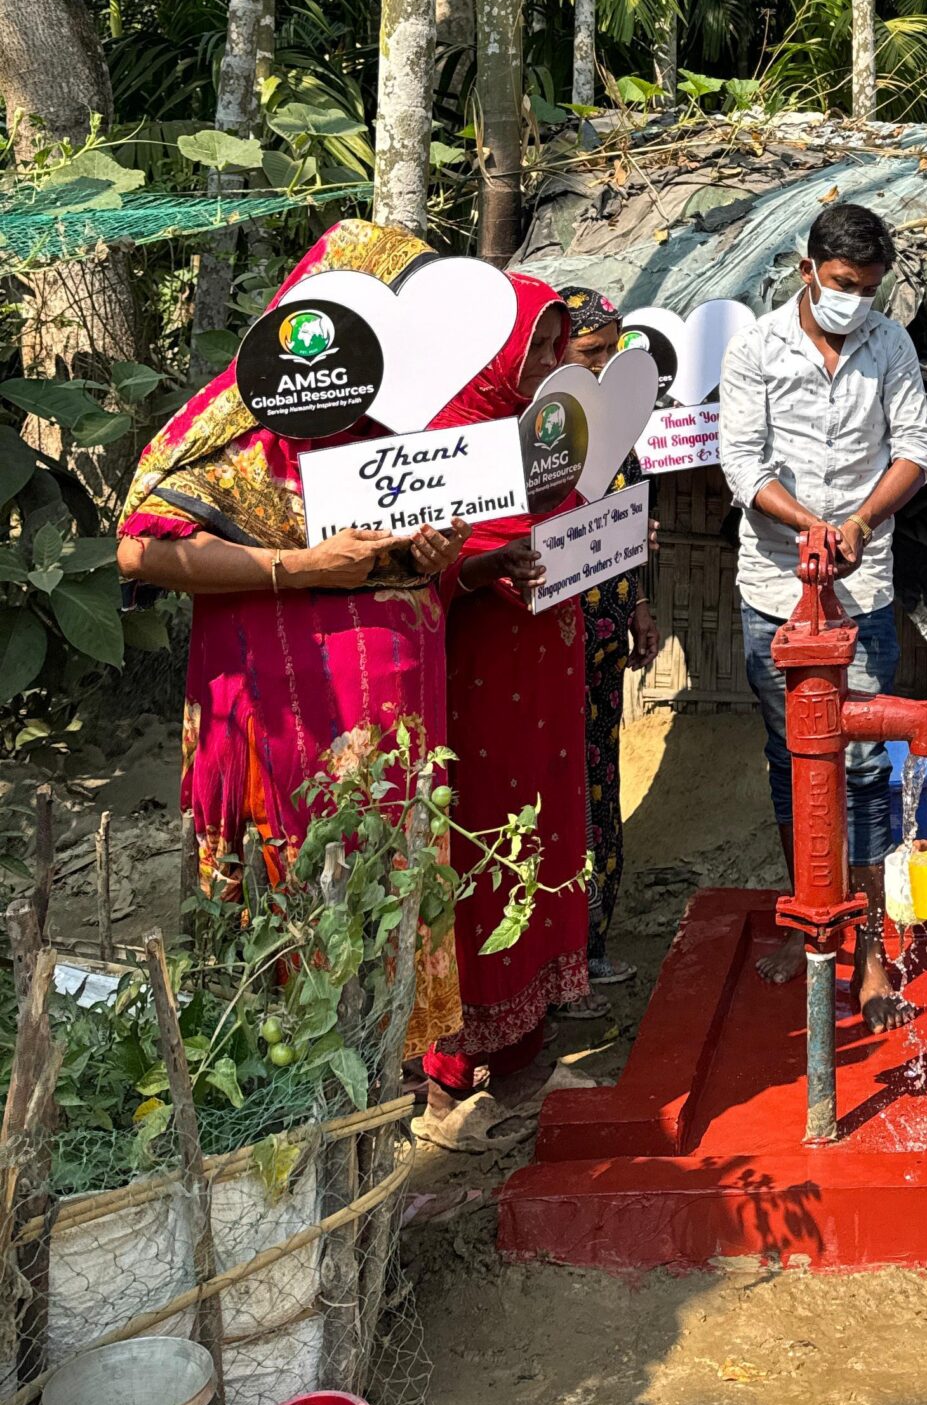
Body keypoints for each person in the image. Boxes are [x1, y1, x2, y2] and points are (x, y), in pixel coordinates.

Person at [117, 219, 469, 1050]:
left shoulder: (406, 422)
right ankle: (269, 1055)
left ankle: (386, 1064)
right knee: (282, 884)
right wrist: (299, 566)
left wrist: (435, 552)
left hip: (389, 714)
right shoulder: (232, 424)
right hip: (276, 710)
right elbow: (139, 550)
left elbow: (429, 556)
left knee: (386, 876)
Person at [718, 200, 927, 1028]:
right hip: (775, 587)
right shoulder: (756, 347)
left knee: (868, 769)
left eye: (870, 288)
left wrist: (859, 525)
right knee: (791, 760)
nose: (856, 301)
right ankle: (809, 925)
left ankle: (872, 952)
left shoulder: (890, 345)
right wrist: (809, 525)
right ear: (809, 269)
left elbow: (915, 447)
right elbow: (742, 465)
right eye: (844, 283)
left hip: (863, 585)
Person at [420, 277, 594, 1101]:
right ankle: (465, 1047)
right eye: (541, 348)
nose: (555, 363)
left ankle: (529, 1027)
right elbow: (407, 563)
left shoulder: (549, 437)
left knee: (542, 828)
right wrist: (484, 565)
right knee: (483, 840)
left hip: (547, 673)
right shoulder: (438, 439)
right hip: (478, 681)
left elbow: (575, 521)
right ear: (494, 353)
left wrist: (612, 537)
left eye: (558, 346)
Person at [557, 286, 662, 986]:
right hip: (551, 651)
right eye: (590, 353)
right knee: (559, 791)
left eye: (612, 352)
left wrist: (640, 608)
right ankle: (561, 955)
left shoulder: (618, 430)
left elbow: (627, 528)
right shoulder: (539, 435)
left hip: (602, 650)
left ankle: (592, 945)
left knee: (600, 784)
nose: (603, 366)